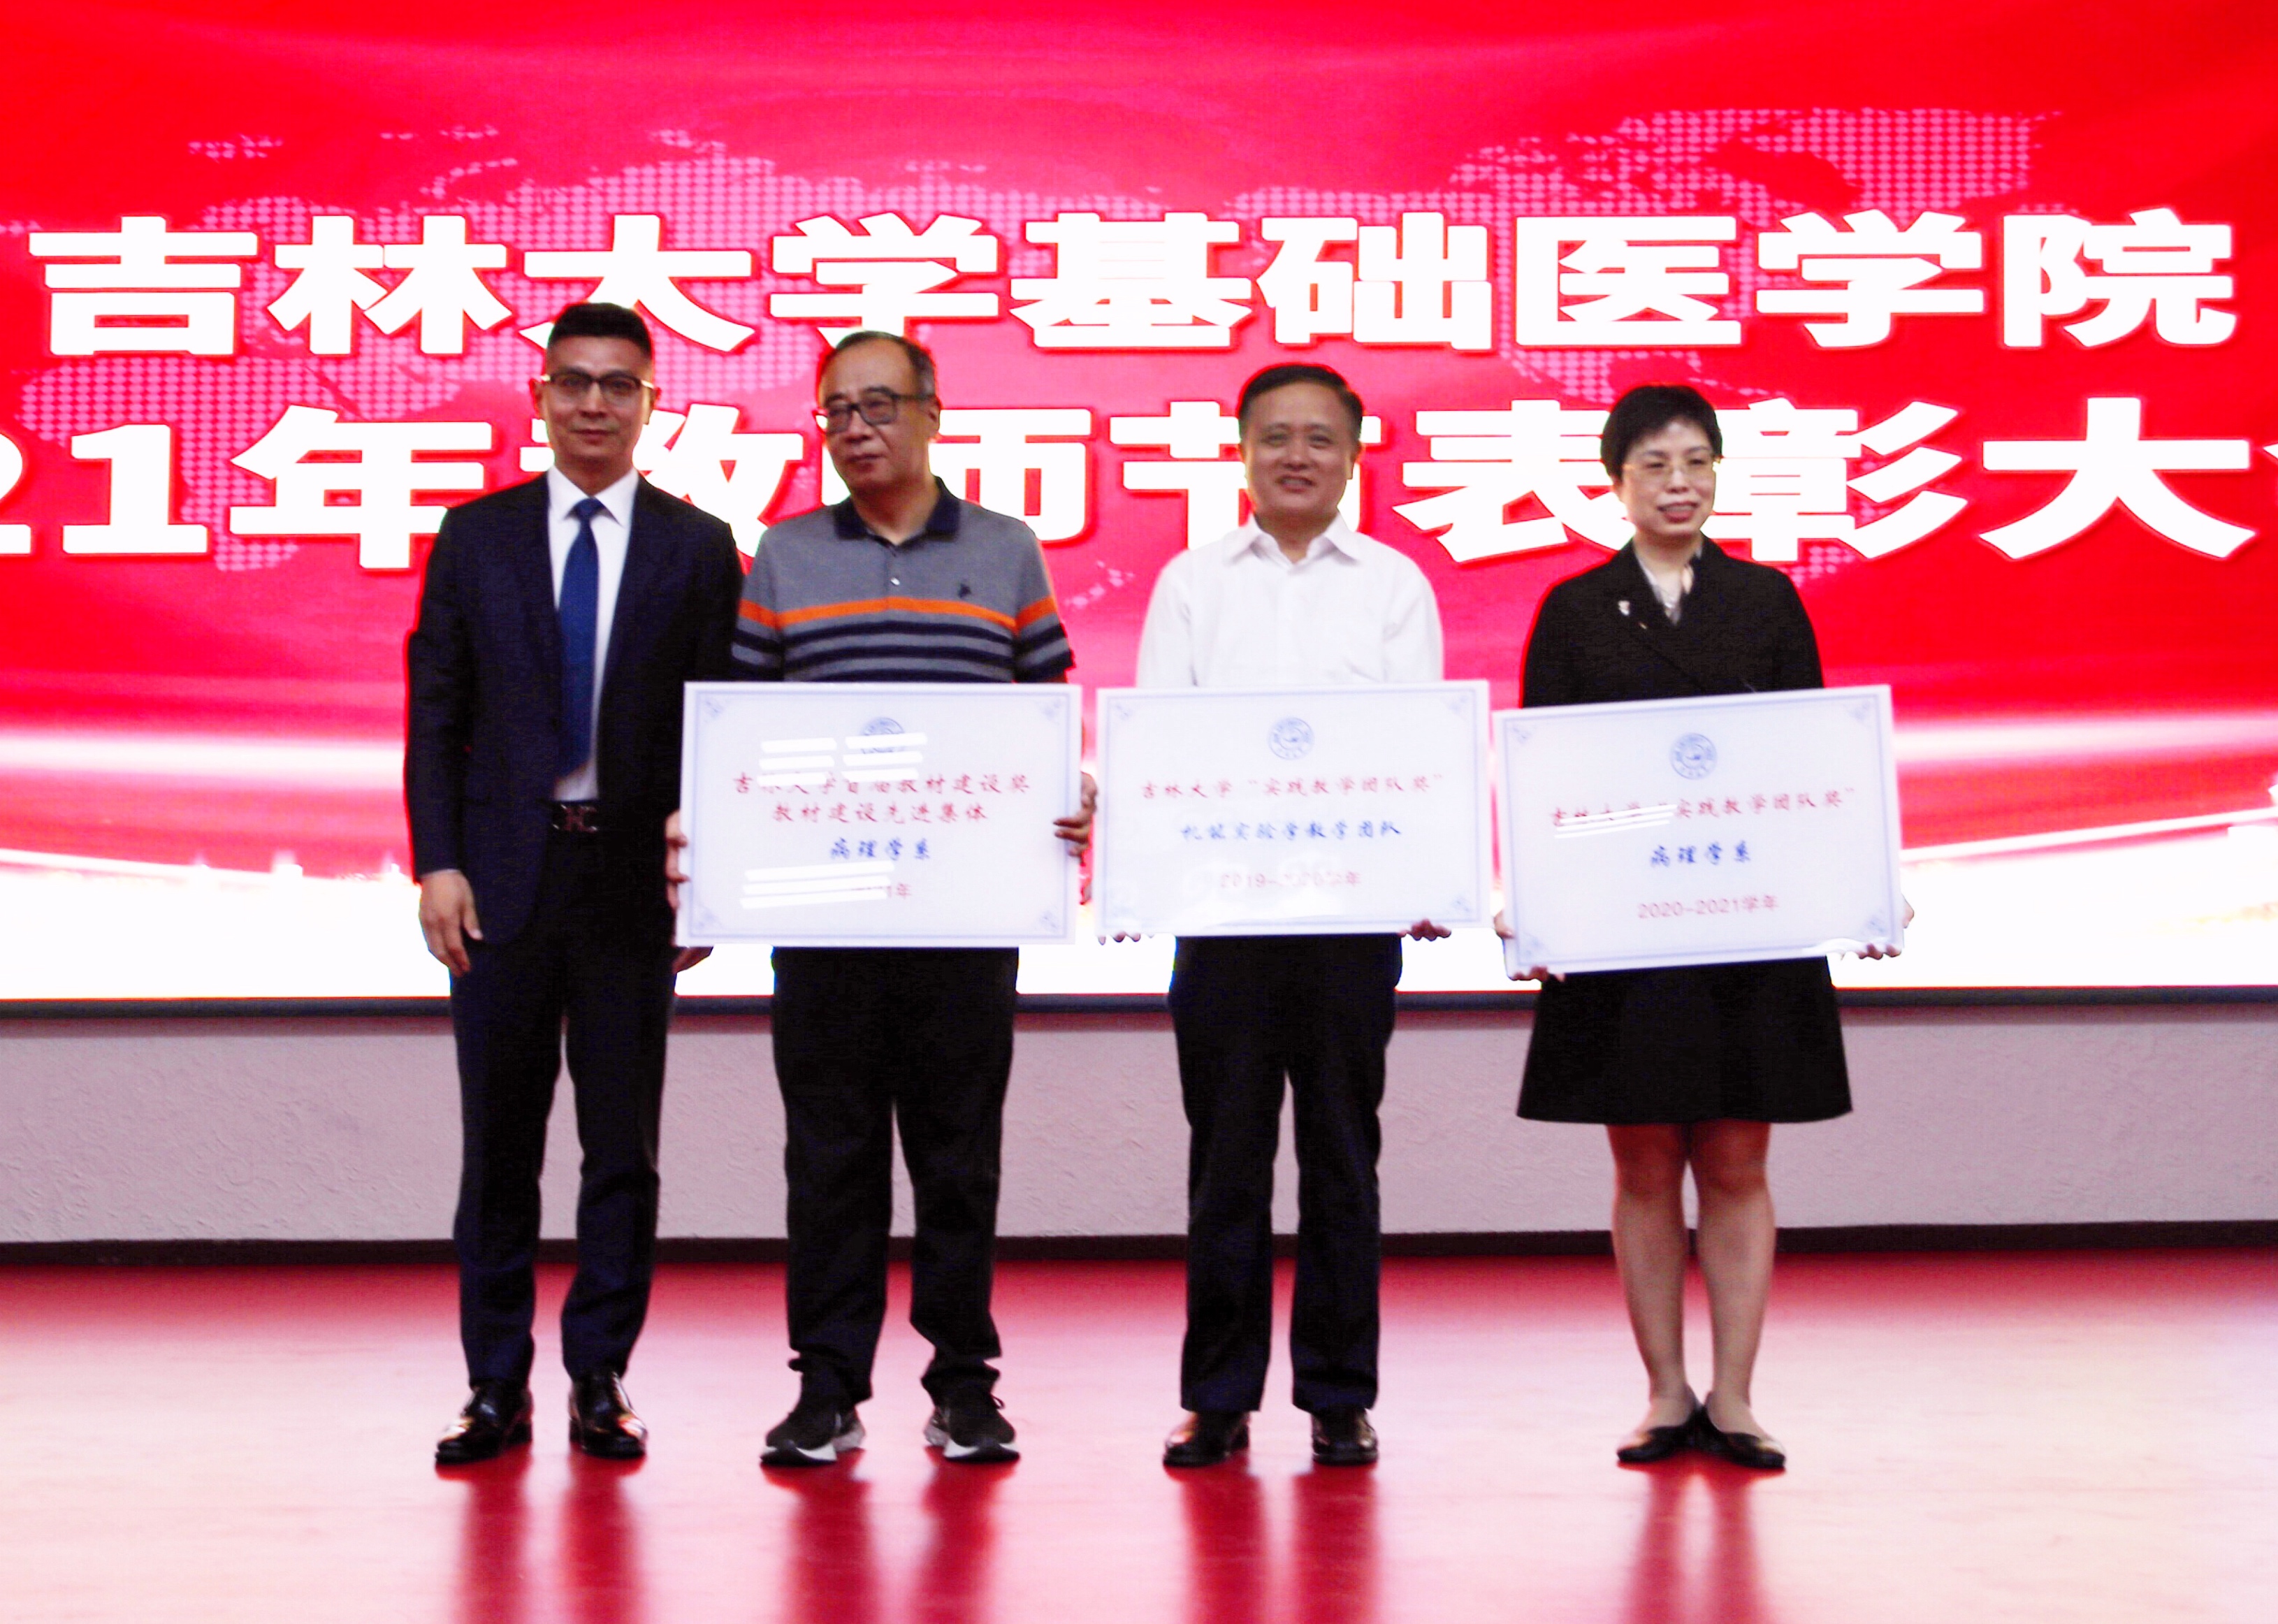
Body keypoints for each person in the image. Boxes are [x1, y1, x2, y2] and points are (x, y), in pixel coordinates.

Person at [667, 330, 1092, 1469]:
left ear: (933, 413)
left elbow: (1044, 717)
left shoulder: (1005, 550)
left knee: (960, 1159)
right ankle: (827, 1387)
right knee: (830, 1159)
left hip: (964, 918)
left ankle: (964, 1386)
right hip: (825, 915)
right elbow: (745, 730)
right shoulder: (787, 553)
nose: (857, 430)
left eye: (879, 406)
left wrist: (1073, 793)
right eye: (837, 412)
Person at [1512, 382, 1895, 1472]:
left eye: (1696, 463)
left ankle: (1734, 1396)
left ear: (1718, 476)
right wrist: (1539, 899)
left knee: (1736, 1161)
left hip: (1748, 926)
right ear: (1615, 483)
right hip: (1624, 932)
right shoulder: (1575, 610)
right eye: (1654, 466)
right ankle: (1664, 1392)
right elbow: (1546, 772)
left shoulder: (1766, 601)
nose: (1677, 484)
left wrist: (1861, 881)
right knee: (1643, 1167)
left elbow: (1817, 763)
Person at [407, 301, 744, 1465]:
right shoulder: (477, 535)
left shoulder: (697, 547)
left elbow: (718, 726)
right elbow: (437, 714)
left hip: (629, 886)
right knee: (499, 1145)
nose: (594, 403)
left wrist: (709, 878)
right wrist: (437, 861)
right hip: (501, 880)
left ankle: (601, 1375)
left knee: (622, 1148)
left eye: (618, 385)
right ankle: (493, 1382)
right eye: (574, 382)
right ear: (541, 396)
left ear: (651, 406)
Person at [1134, 363, 1446, 1469]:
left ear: (1354, 457)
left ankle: (1338, 1395)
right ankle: (1217, 1397)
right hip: (1224, 926)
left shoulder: (1395, 586)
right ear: (1243, 452)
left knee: (1343, 1161)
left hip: (1350, 925)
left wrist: (1428, 875)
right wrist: (1142, 879)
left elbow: (1420, 751)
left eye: (1320, 437)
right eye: (1276, 436)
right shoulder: (1191, 584)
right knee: (1224, 1165)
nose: (1297, 456)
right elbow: (1157, 747)